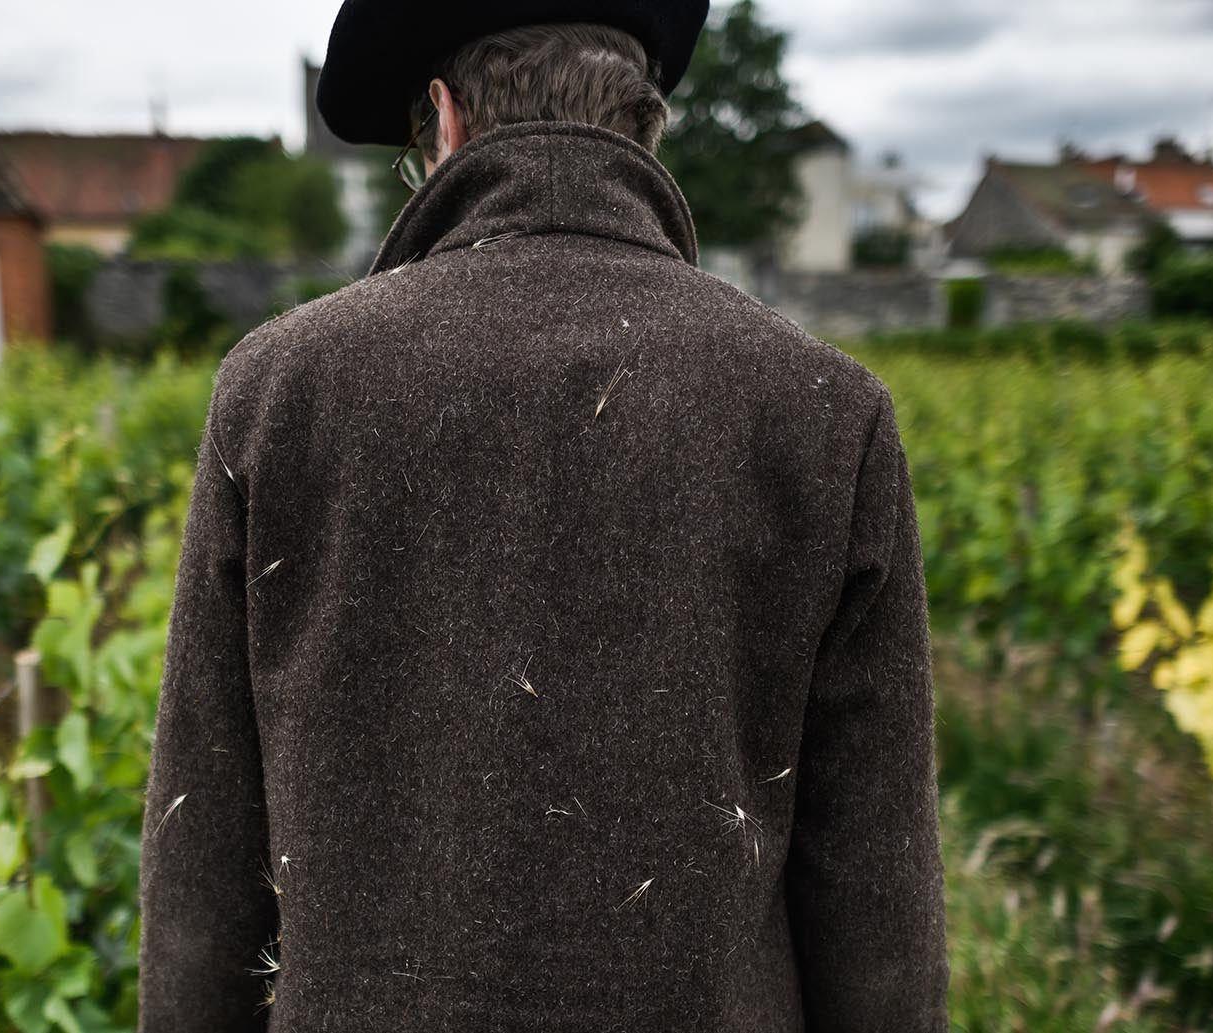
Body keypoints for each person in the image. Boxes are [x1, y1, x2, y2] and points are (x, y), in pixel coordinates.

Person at [137, 2, 947, 1030]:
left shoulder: (278, 392)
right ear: (644, 126)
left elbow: (200, 870)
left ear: (445, 120)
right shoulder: (823, 415)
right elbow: (875, 907)